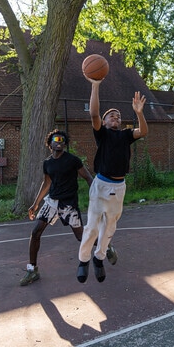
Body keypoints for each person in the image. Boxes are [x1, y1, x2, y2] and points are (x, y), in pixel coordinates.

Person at [77, 77, 148, 283]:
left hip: (119, 186)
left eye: (117, 116)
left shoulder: (126, 135)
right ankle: (83, 260)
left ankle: (99, 258)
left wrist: (139, 113)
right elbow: (93, 113)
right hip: (101, 184)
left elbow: (143, 131)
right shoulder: (103, 134)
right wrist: (96, 85)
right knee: (92, 226)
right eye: (111, 116)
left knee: (110, 228)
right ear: (105, 123)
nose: (115, 118)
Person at [21, 129, 94, 286]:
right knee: (35, 232)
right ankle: (32, 269)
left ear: (65, 144)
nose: (59, 142)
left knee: (81, 237)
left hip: (68, 203)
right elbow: (47, 183)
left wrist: (95, 196)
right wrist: (35, 204)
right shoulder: (47, 163)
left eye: (62, 140)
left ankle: (104, 245)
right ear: (50, 144)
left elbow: (88, 177)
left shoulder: (73, 161)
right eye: (56, 139)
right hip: (52, 201)